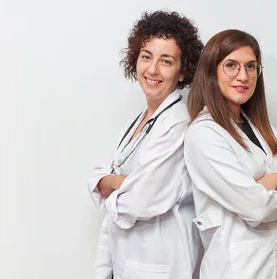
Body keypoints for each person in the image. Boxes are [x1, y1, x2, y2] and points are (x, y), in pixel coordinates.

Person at [183, 29, 277, 279]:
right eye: (231, 65)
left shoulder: (261, 128)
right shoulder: (204, 134)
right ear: (212, 70)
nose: (243, 76)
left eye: (251, 66)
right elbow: (257, 208)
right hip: (239, 269)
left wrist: (273, 182)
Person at [87, 10, 204, 279]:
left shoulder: (178, 123)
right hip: (126, 260)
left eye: (166, 61)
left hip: (159, 263)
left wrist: (111, 183)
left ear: (183, 70)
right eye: (146, 57)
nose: (152, 70)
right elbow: (100, 177)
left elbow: (138, 202)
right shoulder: (137, 120)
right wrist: (118, 181)